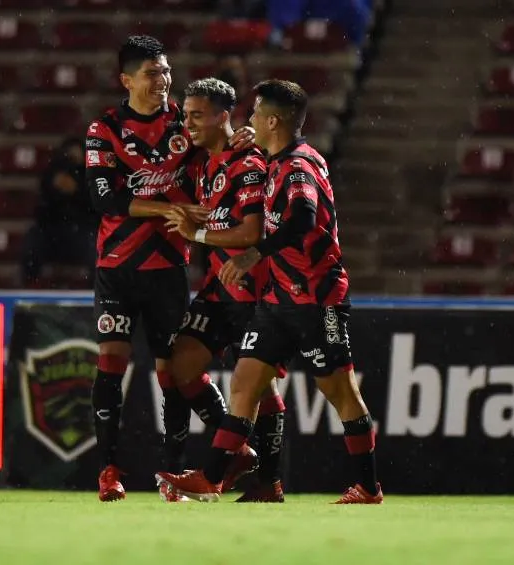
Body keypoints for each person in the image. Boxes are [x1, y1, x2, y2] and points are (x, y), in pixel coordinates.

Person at [156, 79, 382, 504]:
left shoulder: (297, 165)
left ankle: (368, 486)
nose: (250, 120)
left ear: (273, 120)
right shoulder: (275, 160)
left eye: (256, 113)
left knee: (340, 392)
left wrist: (253, 254)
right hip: (278, 300)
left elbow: (302, 217)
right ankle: (212, 476)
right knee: (244, 382)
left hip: (316, 296)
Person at [84, 35, 256, 502]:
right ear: (127, 80)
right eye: (151, 74)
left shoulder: (184, 119)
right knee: (110, 364)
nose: (162, 81)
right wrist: (167, 210)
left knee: (171, 373)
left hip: (168, 267)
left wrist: (243, 137)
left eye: (165, 71)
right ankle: (109, 472)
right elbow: (105, 199)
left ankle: (174, 473)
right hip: (116, 264)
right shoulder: (106, 128)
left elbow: (219, 142)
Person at [156, 77, 287, 503]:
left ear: (223, 116)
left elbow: (250, 232)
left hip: (254, 291)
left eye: (197, 115)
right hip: (219, 287)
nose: (187, 123)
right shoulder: (205, 159)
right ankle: (237, 451)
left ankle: (268, 482)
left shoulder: (247, 161)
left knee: (258, 390)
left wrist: (198, 235)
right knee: (180, 366)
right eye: (186, 114)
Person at [20, 137, 96, 287]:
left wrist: (77, 190)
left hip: (82, 230)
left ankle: (95, 291)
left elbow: (94, 207)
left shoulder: (91, 176)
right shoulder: (52, 173)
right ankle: (29, 288)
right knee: (32, 242)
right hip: (51, 230)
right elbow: (42, 206)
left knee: (97, 248)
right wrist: (55, 187)